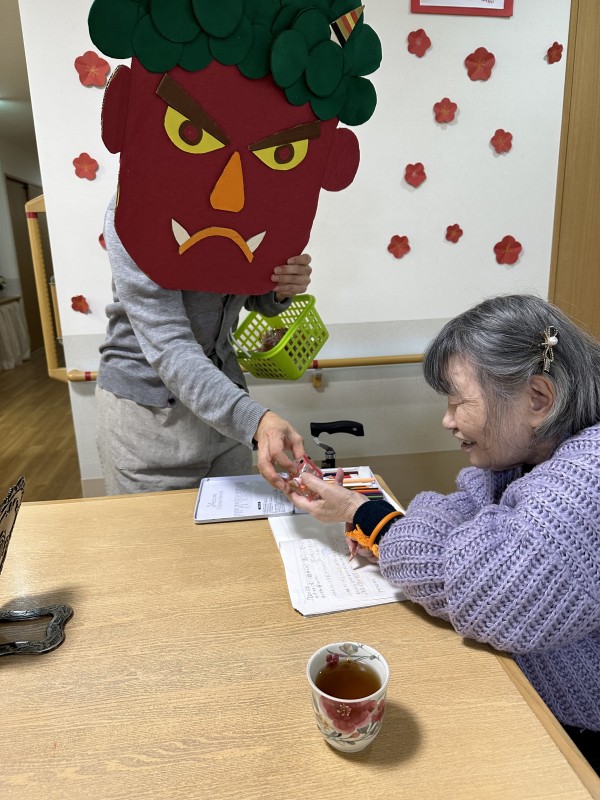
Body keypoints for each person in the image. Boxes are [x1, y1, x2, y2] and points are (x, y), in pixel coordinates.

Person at [288, 294, 600, 772]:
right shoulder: (525, 457)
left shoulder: (589, 476)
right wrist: (395, 528)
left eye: (458, 402)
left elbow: (485, 592)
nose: (447, 420)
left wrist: (366, 516)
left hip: (574, 732)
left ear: (538, 398)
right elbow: (455, 511)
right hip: (524, 689)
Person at [89, 0, 382, 494]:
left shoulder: (249, 208)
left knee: (233, 535)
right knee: (155, 543)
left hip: (223, 409)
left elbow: (240, 294)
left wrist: (276, 290)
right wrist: (256, 419)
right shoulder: (137, 214)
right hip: (146, 419)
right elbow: (169, 345)